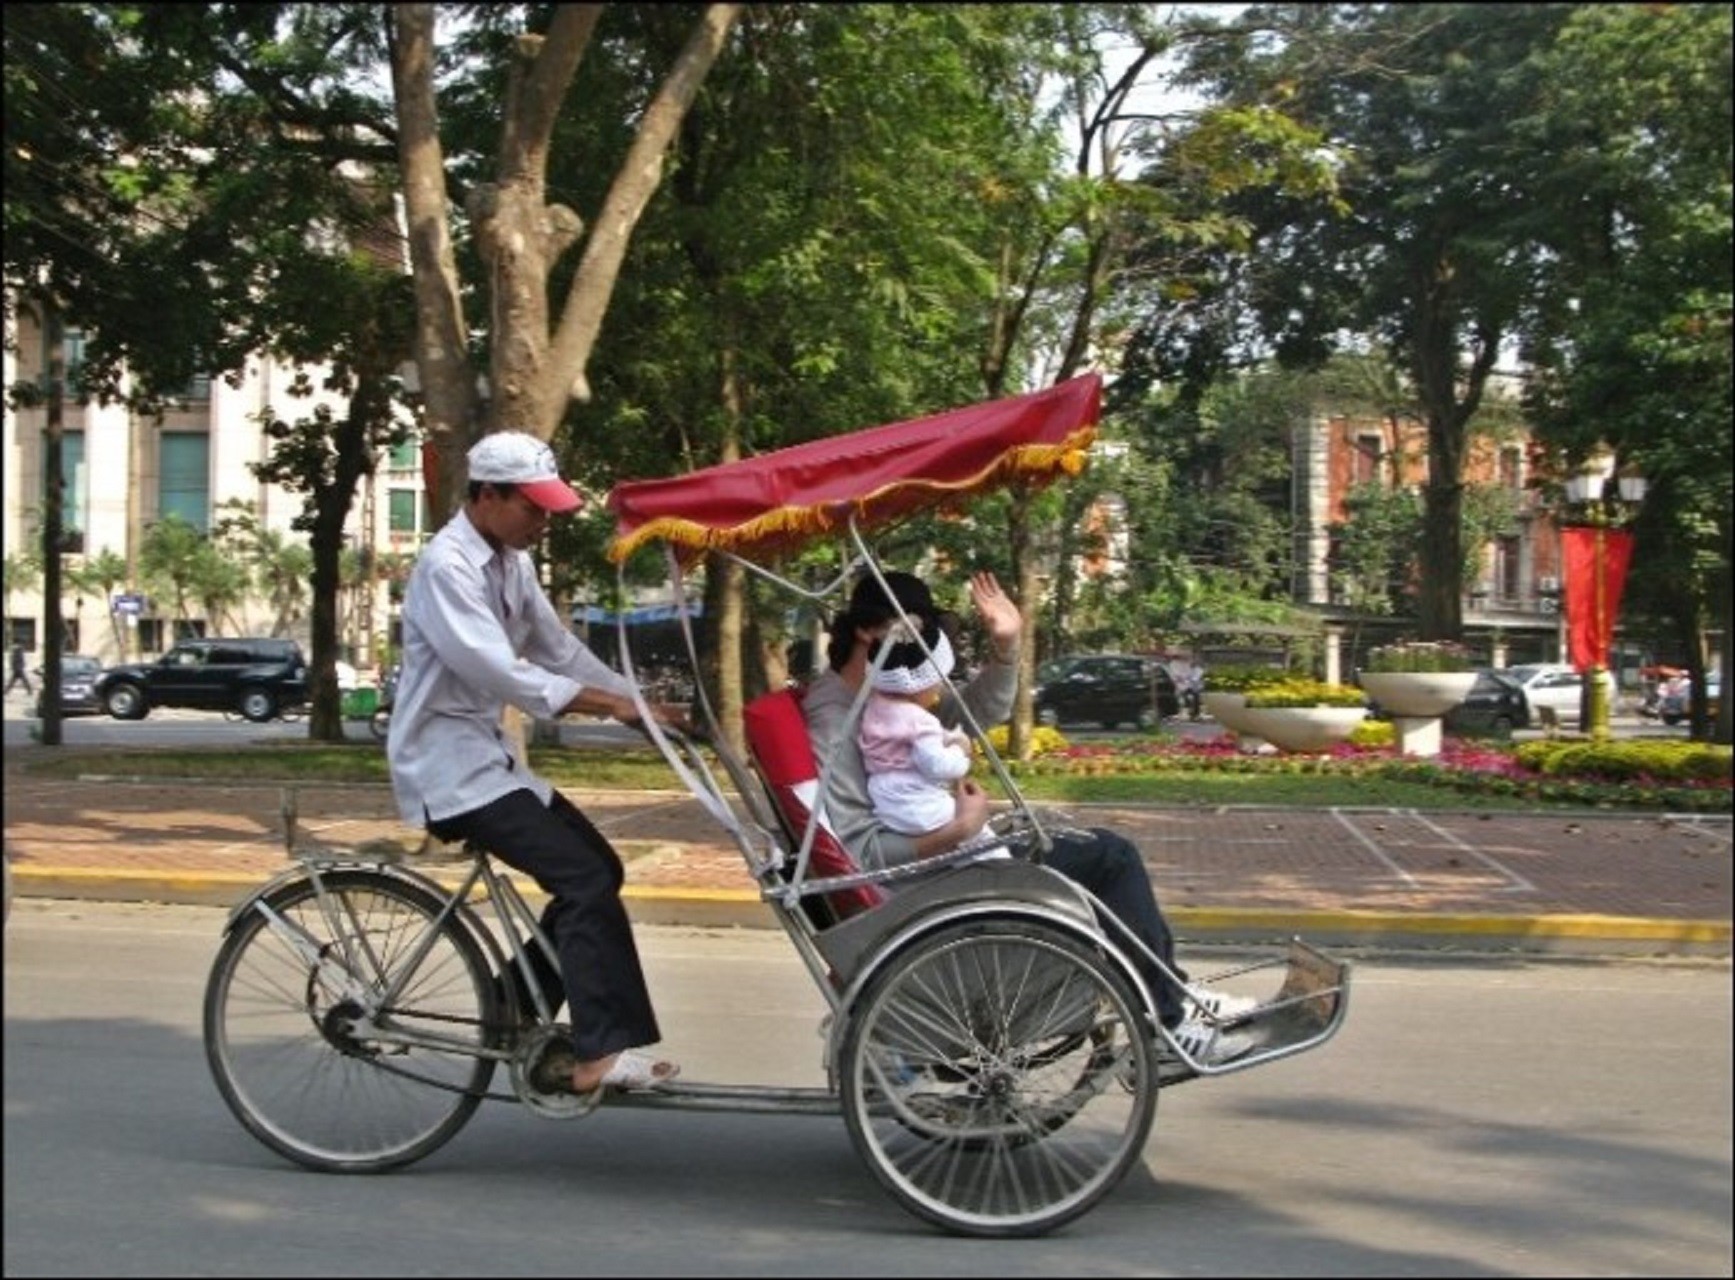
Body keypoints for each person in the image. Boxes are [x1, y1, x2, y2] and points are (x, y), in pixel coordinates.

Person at [804, 569, 1255, 1063]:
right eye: (916, 633)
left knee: (1086, 843)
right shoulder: (837, 717)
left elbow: (976, 710)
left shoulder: (888, 690)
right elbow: (856, 848)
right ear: (870, 633)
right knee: (1110, 859)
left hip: (950, 858)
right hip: (925, 881)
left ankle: (1169, 990)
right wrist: (960, 829)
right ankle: (1168, 1019)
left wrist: (1006, 647)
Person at [387, 431, 685, 1101]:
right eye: (533, 508)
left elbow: (557, 650)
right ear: (488, 496)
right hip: (446, 767)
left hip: (489, 760)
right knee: (581, 879)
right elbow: (503, 672)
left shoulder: (509, 561)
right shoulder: (447, 566)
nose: (544, 522)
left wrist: (637, 702)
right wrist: (611, 705)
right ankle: (596, 1057)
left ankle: (509, 1014)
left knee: (599, 869)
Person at [857, 619, 1006, 861]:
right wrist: (960, 750)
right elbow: (938, 766)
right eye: (937, 683)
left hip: (885, 801)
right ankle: (1001, 872)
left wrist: (944, 737)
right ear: (921, 686)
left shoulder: (875, 708)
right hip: (914, 800)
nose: (938, 691)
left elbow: (904, 741)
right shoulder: (919, 721)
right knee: (983, 838)